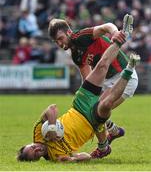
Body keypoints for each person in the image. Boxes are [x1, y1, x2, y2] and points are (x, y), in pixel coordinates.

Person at [17, 34, 140, 162]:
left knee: (101, 66)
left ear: (30, 143)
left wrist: (52, 128)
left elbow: (52, 109)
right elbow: (86, 157)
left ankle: (121, 39)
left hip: (79, 104)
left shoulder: (38, 133)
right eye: (36, 154)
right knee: (106, 104)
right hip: (90, 121)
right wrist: (73, 159)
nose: (37, 149)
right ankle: (130, 68)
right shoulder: (56, 157)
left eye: (32, 147)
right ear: (38, 159)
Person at [47, 15, 138, 155]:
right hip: (107, 81)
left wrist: (115, 33)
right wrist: (86, 98)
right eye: (56, 41)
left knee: (95, 113)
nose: (59, 43)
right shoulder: (76, 55)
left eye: (60, 38)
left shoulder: (80, 37)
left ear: (69, 32)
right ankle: (112, 132)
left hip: (124, 76)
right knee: (93, 110)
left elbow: (105, 26)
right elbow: (88, 79)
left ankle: (105, 145)